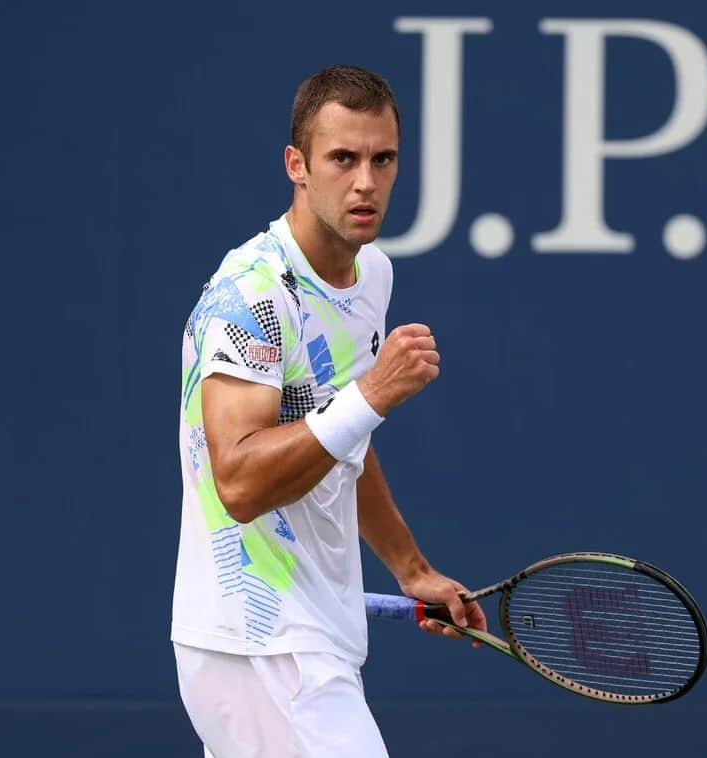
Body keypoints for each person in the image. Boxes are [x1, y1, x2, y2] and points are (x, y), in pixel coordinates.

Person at [171, 65, 487, 758]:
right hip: (259, 645)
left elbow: (342, 439)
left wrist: (409, 568)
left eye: (382, 159)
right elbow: (241, 485)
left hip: (315, 636)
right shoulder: (249, 296)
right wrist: (372, 392)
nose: (365, 182)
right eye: (342, 159)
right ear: (298, 166)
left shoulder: (372, 273)